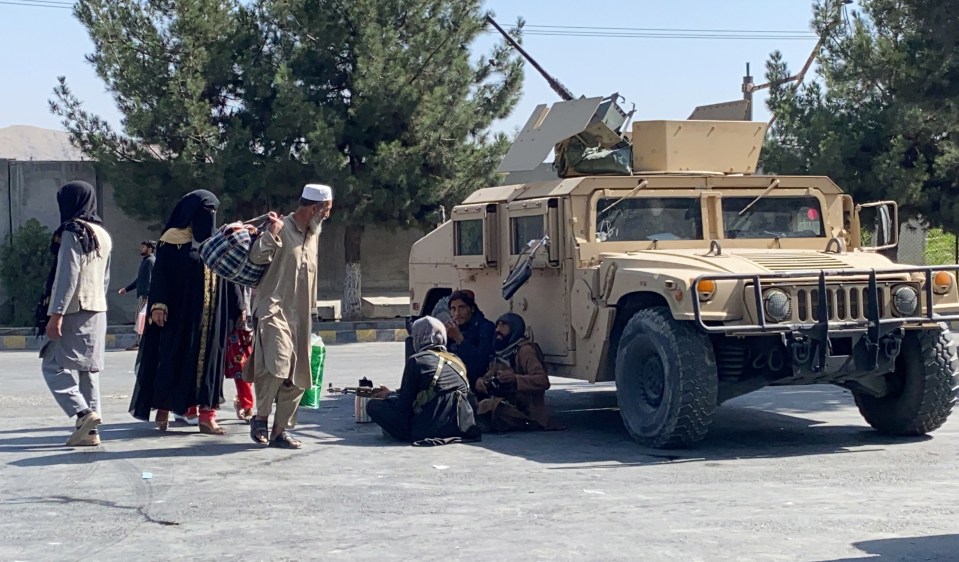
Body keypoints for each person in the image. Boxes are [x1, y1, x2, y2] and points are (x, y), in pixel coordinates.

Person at [129, 190, 244, 435]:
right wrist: (158, 304)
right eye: (206, 212)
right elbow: (161, 273)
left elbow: (230, 275)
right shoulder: (173, 240)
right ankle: (164, 406)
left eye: (214, 212)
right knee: (175, 360)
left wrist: (239, 307)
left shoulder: (217, 241)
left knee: (210, 367)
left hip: (214, 316)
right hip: (182, 315)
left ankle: (207, 416)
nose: (210, 217)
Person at [245, 184, 332, 449]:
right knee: (277, 364)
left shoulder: (314, 234)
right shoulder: (281, 226)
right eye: (326, 210)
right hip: (273, 308)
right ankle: (260, 418)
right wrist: (270, 234)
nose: (328, 215)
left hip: (302, 316)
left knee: (299, 375)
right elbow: (257, 256)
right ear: (314, 208)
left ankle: (280, 431)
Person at [38, 180, 113, 446]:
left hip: (73, 309)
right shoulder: (102, 233)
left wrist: (56, 314)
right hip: (97, 308)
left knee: (51, 363)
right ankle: (90, 433)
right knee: (88, 370)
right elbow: (104, 279)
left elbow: (67, 276)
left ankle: (83, 413)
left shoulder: (72, 231)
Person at [367, 317, 480, 445]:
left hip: (429, 429)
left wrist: (388, 397)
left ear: (417, 337)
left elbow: (404, 406)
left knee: (373, 406)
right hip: (461, 427)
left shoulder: (417, 360)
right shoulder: (456, 360)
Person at [474, 313, 560, 432]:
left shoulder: (525, 351)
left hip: (526, 410)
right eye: (498, 325)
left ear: (515, 329)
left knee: (490, 406)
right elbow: (490, 374)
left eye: (504, 326)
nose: (498, 330)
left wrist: (515, 379)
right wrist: (482, 381)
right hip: (506, 401)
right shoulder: (501, 351)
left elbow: (543, 381)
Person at [443, 290, 495, 390]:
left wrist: (459, 339)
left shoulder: (485, 327)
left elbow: (481, 364)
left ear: (471, 309)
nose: (457, 313)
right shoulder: (452, 329)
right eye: (453, 309)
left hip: (478, 385)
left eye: (461, 308)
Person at [118, 240, 155, 350]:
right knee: (141, 318)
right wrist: (127, 289)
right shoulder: (146, 261)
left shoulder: (150, 261)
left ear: (149, 249)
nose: (141, 249)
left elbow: (149, 280)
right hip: (143, 295)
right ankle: (141, 341)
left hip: (145, 296)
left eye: (143, 247)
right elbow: (140, 280)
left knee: (141, 318)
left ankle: (140, 342)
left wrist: (147, 295)